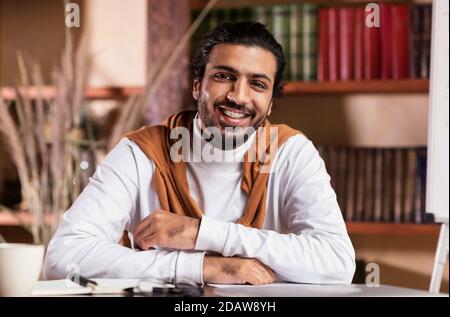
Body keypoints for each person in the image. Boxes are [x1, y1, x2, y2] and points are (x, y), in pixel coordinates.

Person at [43, 22, 355, 285]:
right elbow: (63, 258)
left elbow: (337, 262)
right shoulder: (140, 153)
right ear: (196, 86)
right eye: (224, 77)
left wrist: (198, 232)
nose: (238, 96)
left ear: (271, 102)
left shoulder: (290, 152)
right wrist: (203, 267)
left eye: (257, 84)